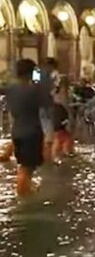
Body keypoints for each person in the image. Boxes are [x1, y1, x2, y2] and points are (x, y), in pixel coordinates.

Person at [4, 59, 45, 195]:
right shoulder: (35, 89)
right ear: (32, 72)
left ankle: (26, 190)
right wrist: (37, 74)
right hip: (32, 132)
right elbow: (45, 101)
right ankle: (23, 197)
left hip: (17, 132)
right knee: (26, 168)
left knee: (24, 167)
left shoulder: (10, 89)